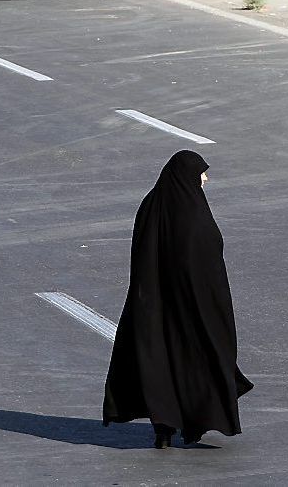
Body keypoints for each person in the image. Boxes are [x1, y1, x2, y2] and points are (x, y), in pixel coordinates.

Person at [102, 151, 253, 449]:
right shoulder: (194, 215)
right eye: (202, 172)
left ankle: (163, 428)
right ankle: (194, 422)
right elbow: (206, 264)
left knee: (159, 362)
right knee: (199, 358)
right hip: (193, 307)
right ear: (187, 176)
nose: (205, 178)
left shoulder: (151, 206)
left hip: (153, 306)